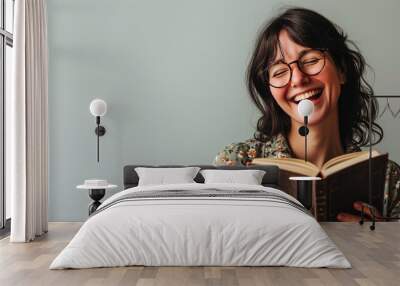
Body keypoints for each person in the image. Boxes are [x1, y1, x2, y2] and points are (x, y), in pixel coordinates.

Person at [213, 7, 400, 221]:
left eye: (310, 60)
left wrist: (383, 239)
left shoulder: (388, 179)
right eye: (280, 71)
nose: (298, 79)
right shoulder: (236, 163)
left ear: (341, 70)